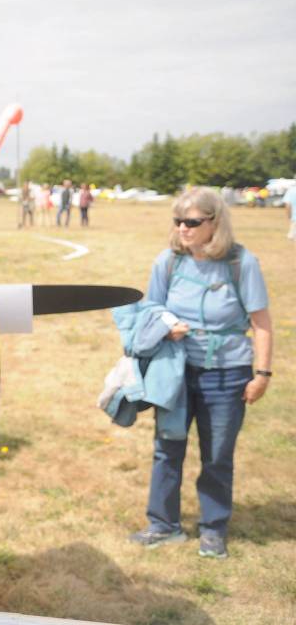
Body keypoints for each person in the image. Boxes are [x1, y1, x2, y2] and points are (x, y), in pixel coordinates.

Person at [129, 187, 273, 559]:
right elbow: (150, 310)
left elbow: (261, 323)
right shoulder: (168, 262)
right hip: (175, 372)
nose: (183, 229)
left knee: (217, 455)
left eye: (192, 222)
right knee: (167, 449)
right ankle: (163, 524)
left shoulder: (241, 263)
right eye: (178, 221)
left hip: (227, 375)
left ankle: (213, 529)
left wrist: (262, 374)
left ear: (215, 222)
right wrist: (167, 326)